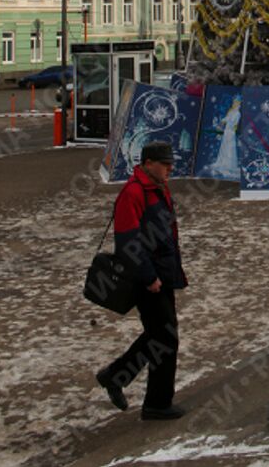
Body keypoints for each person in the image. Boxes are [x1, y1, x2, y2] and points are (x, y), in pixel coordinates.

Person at [96, 141, 188, 420]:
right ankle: (156, 403)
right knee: (165, 337)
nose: (170, 168)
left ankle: (116, 376)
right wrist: (149, 277)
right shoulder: (134, 193)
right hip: (147, 278)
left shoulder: (157, 187)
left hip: (161, 274)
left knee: (160, 335)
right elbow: (128, 242)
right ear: (148, 163)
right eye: (165, 163)